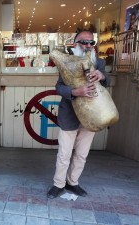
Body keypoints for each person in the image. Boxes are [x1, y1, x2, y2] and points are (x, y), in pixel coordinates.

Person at [47, 30, 110, 199]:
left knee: (82, 154)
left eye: (91, 43)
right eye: (84, 42)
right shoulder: (66, 62)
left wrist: (102, 76)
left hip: (92, 115)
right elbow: (59, 87)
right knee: (64, 153)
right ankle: (58, 184)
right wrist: (76, 91)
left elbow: (107, 82)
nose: (88, 46)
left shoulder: (99, 62)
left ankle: (72, 182)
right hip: (70, 115)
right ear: (75, 44)